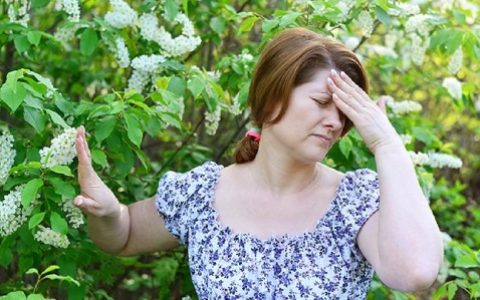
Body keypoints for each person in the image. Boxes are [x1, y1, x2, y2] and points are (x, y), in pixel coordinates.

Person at [74, 28, 443, 298]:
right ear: (270, 100)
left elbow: (414, 273)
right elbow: (121, 235)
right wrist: (107, 212)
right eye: (320, 102)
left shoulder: (354, 201)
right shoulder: (201, 193)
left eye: (344, 111)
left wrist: (387, 145)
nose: (335, 122)